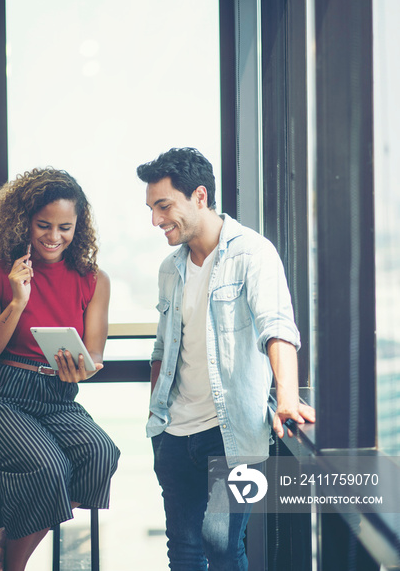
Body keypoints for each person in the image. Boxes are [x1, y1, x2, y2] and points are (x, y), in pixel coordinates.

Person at [137, 147, 315, 571]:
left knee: (221, 546)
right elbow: (162, 349)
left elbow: (278, 329)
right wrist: (156, 419)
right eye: (152, 209)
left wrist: (286, 398)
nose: (156, 220)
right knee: (182, 550)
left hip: (232, 435)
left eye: (164, 206)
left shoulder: (253, 253)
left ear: (200, 196)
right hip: (174, 435)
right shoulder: (169, 269)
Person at [0, 167, 120, 571]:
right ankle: (14, 565)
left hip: (58, 399)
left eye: (65, 227)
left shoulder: (93, 280)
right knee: (49, 465)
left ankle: (9, 539)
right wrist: (16, 302)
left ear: (78, 226)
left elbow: (94, 354)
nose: (53, 237)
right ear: (24, 223)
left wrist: (81, 371)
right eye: (43, 225)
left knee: (101, 453)